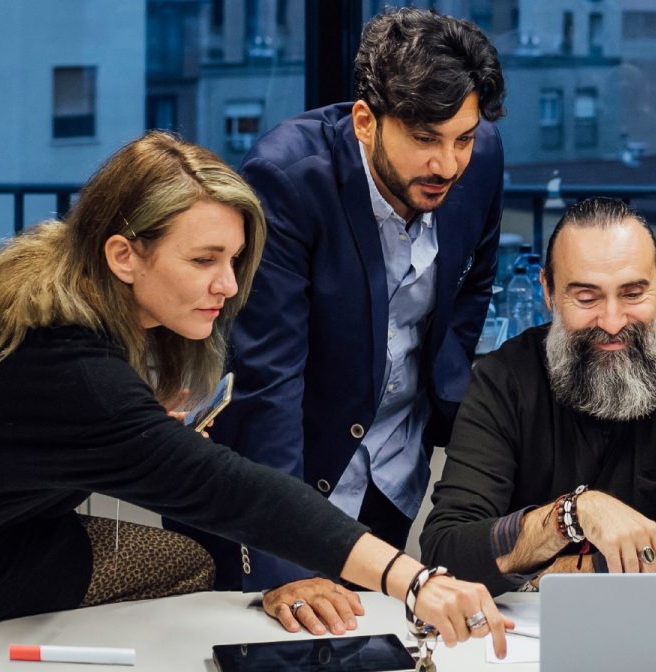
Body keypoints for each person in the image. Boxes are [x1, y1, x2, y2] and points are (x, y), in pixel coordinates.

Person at [0, 132, 510, 657]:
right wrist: (418, 581)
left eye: (235, 260)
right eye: (204, 260)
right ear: (125, 255)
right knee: (201, 558)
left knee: (212, 556)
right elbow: (242, 494)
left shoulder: (60, 287)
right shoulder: (73, 370)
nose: (230, 285)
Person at [165, 8, 507, 628]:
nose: (449, 164)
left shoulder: (480, 160)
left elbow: (471, 286)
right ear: (365, 121)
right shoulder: (287, 179)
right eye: (426, 139)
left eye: (463, 137)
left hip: (392, 475)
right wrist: (284, 565)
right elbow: (268, 384)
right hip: (283, 480)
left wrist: (447, 403)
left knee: (377, 645)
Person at [419, 197, 656, 592]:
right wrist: (570, 515)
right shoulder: (503, 377)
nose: (612, 323)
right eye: (587, 298)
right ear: (548, 290)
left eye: (632, 294)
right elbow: (445, 552)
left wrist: (568, 575)